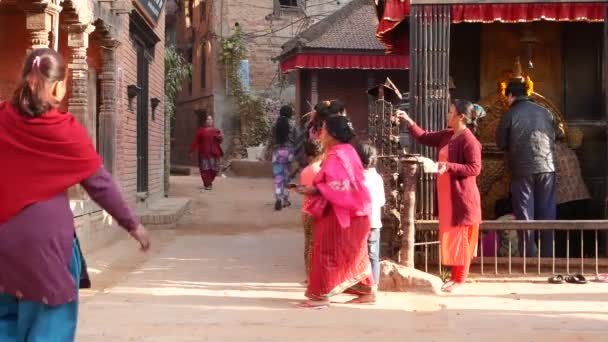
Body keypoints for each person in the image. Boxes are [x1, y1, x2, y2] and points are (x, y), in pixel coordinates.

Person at [0, 48, 150, 341]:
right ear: (57, 86)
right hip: (46, 249)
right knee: (49, 325)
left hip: (3, 243)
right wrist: (133, 225)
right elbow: (100, 184)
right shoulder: (65, 131)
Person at [397, 99, 482, 292]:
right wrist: (409, 121)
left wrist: (449, 166)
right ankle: (454, 276)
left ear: (461, 117)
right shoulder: (448, 134)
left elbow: (475, 168)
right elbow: (425, 137)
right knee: (453, 236)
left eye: (450, 112)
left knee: (461, 237)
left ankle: (459, 279)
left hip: (461, 197)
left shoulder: (469, 140)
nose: (447, 115)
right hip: (448, 195)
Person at [296, 115, 375, 308]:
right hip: (357, 212)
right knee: (355, 254)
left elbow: (338, 186)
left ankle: (320, 296)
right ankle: (367, 292)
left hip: (344, 213)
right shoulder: (348, 151)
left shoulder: (336, 155)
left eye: (323, 129)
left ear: (332, 134)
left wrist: (314, 189)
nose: (320, 133)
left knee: (326, 251)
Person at [496, 79, 556, 258]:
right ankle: (548, 259)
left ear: (511, 95)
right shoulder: (546, 112)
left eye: (506, 97)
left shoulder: (510, 114)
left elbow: (501, 143)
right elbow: (555, 136)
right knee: (547, 215)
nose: (506, 101)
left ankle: (529, 259)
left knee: (525, 215)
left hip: (522, 170)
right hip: (547, 168)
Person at [355, 143, 386, 285]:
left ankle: (360, 285)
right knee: (373, 256)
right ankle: (374, 286)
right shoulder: (378, 178)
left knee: (357, 256)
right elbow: (381, 201)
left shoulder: (356, 179)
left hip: (357, 223)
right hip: (374, 223)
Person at [299, 140, 323, 282]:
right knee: (316, 245)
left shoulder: (305, 171)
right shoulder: (319, 172)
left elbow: (303, 189)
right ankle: (314, 276)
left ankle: (309, 275)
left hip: (306, 211)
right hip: (317, 212)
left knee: (308, 244)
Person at [271, 105, 298, 210]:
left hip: (277, 152)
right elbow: (297, 138)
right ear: (290, 114)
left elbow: (271, 139)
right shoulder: (293, 124)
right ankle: (285, 200)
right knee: (287, 177)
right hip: (289, 152)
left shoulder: (275, 124)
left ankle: (278, 197)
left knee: (278, 177)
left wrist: (264, 153)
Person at [190, 114, 223, 191]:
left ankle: (209, 182)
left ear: (212, 121)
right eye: (208, 119)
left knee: (215, 169)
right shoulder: (201, 130)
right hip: (204, 154)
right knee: (205, 169)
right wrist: (192, 150)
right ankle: (207, 183)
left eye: (211, 119)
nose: (209, 121)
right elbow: (196, 141)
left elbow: (220, 141)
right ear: (206, 121)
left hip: (214, 153)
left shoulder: (216, 130)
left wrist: (221, 138)